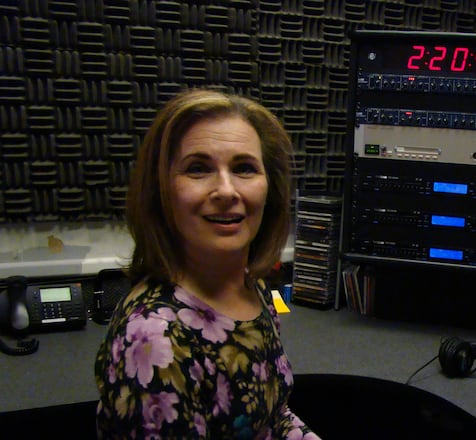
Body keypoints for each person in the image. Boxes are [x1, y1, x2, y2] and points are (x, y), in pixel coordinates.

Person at [94, 88, 320, 439]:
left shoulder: (252, 287)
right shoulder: (155, 339)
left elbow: (274, 417)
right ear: (162, 190)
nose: (227, 190)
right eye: (198, 169)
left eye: (244, 168)